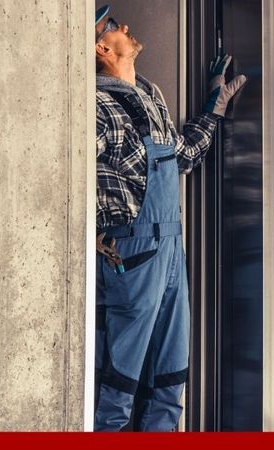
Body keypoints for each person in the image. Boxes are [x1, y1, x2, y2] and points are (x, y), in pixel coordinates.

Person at [93, 5, 246, 431]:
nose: (124, 26)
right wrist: (92, 235)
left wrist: (213, 108)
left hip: (172, 249)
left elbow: (183, 156)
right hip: (133, 249)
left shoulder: (149, 95)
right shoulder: (97, 107)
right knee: (119, 380)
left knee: (171, 375)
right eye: (111, 26)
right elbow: (65, 178)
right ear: (101, 46)